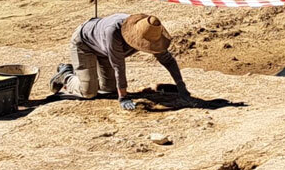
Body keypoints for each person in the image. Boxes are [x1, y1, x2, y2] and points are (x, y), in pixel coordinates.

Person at [55, 13, 191, 109]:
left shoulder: (150, 32)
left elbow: (167, 59)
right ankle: (66, 75)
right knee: (89, 92)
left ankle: (86, 76)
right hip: (84, 44)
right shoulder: (113, 32)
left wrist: (180, 84)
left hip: (103, 50)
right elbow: (118, 66)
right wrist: (123, 97)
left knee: (109, 90)